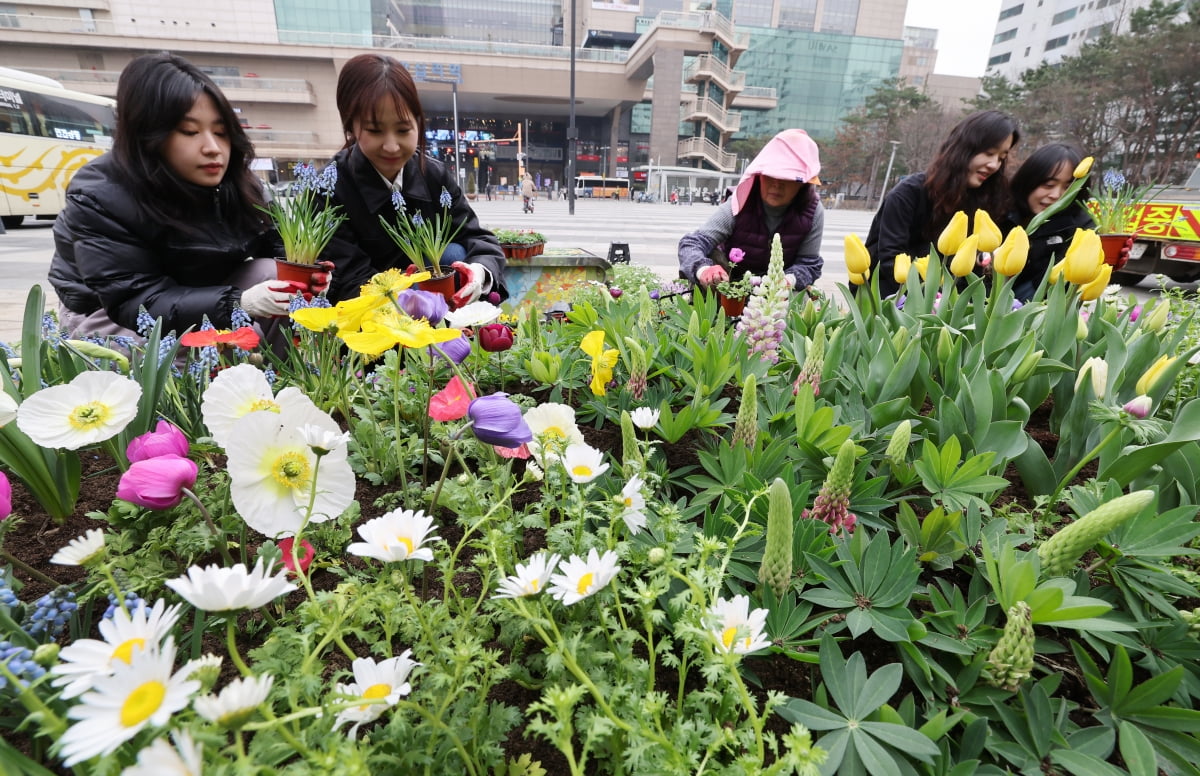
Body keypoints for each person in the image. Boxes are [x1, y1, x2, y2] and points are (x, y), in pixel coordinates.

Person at [49, 53, 313, 340]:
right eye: (190, 131)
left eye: (221, 132)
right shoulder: (100, 194)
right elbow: (134, 300)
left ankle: (290, 379)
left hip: (203, 292)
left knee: (279, 280)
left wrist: (310, 275)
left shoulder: (238, 183)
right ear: (148, 134)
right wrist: (239, 304)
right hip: (113, 312)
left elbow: (279, 249)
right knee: (209, 354)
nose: (213, 148)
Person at [324, 53, 506, 306]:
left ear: (418, 123)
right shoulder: (331, 185)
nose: (391, 146)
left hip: (435, 301)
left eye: (403, 129)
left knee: (455, 254)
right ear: (351, 127)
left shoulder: (433, 175)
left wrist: (480, 273)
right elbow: (348, 276)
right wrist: (406, 308)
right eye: (375, 130)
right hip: (374, 309)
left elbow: (479, 239)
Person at [865, 110, 1020, 297]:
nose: (994, 165)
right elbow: (890, 259)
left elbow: (978, 265)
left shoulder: (989, 200)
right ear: (963, 147)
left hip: (954, 308)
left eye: (1001, 158)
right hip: (895, 301)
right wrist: (934, 299)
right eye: (989, 153)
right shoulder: (909, 194)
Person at [678, 128, 825, 291]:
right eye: (770, 176)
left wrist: (787, 280)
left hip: (776, 290)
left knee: (803, 294)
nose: (776, 184)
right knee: (710, 263)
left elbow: (809, 263)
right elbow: (692, 243)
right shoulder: (741, 201)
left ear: (803, 183)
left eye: (786, 178)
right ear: (759, 175)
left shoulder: (812, 212)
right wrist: (704, 270)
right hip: (729, 284)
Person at [1006, 143, 1096, 301]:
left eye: (1068, 188)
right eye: (1049, 185)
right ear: (1028, 181)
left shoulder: (1080, 226)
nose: (1056, 195)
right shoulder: (1001, 211)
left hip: (1039, 307)